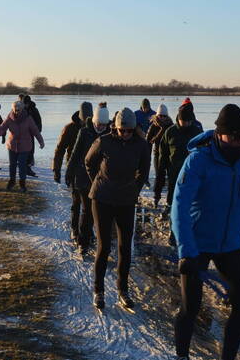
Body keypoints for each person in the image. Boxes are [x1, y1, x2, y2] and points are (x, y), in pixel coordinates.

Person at [171, 104, 240, 360]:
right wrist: (185, 251)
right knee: (190, 306)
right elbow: (179, 206)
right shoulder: (198, 160)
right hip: (198, 244)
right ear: (220, 135)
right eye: (235, 137)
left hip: (230, 243)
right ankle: (182, 358)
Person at [84, 108, 150, 311]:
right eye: (122, 130)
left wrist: (133, 190)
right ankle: (99, 290)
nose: (125, 134)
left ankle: (123, 290)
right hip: (102, 199)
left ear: (134, 129)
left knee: (125, 247)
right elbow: (89, 162)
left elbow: (144, 171)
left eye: (129, 131)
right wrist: (99, 182)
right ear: (116, 128)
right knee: (104, 247)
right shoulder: (104, 141)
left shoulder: (142, 145)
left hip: (126, 201)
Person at [66, 106, 109, 252]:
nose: (100, 127)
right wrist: (69, 172)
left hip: (101, 179)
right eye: (98, 124)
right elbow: (75, 153)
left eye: (104, 125)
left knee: (96, 210)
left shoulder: (110, 134)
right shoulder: (84, 132)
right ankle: (83, 242)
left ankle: (90, 234)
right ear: (94, 121)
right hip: (83, 177)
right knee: (86, 209)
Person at [157, 102, 203, 211]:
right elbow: (163, 156)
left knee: (191, 200)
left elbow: (203, 153)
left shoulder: (197, 132)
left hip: (192, 173)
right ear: (179, 119)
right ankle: (170, 209)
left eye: (189, 121)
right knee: (173, 197)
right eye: (184, 121)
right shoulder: (170, 132)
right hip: (174, 173)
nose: (186, 123)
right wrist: (160, 176)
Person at [0, 100, 44, 192]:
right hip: (12, 145)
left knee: (22, 165)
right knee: (12, 165)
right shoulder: (10, 117)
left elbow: (35, 130)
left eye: (18, 110)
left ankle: (22, 183)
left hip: (25, 146)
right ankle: (12, 181)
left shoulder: (28, 118)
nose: (17, 112)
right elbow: (2, 127)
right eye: (15, 110)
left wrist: (41, 141)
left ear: (22, 109)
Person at [53, 102, 91, 183]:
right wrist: (56, 169)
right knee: (76, 190)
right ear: (80, 118)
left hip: (90, 166)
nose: (86, 123)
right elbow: (60, 149)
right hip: (74, 165)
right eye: (84, 120)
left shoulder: (95, 127)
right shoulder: (69, 128)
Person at [145, 104, 173, 196]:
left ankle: (169, 195)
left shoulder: (170, 125)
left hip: (169, 153)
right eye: (160, 116)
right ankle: (156, 196)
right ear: (157, 115)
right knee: (159, 175)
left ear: (167, 116)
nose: (162, 118)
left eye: (164, 116)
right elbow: (148, 140)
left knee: (170, 175)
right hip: (157, 153)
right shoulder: (153, 125)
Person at [22, 94, 43, 177]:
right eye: (24, 103)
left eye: (27, 103)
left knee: (31, 151)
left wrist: (38, 131)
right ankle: (23, 167)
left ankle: (28, 167)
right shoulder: (20, 109)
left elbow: (38, 120)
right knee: (22, 150)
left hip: (31, 133)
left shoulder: (34, 110)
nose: (26, 104)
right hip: (22, 134)